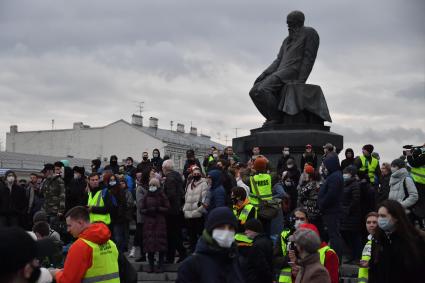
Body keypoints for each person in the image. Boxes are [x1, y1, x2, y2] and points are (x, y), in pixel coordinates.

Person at [249, 10, 319, 125]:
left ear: (299, 22)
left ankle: (277, 118)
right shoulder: (286, 40)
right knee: (254, 91)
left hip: (292, 71)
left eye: (291, 23)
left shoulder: (310, 33)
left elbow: (309, 58)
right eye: (288, 23)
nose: (288, 26)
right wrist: (265, 73)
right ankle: (271, 116)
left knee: (263, 89)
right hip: (280, 71)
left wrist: (301, 80)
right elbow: (278, 60)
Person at [50, 206, 120, 283]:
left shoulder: (80, 246)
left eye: (69, 225)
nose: (68, 230)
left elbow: (68, 281)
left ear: (80, 223)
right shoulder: (111, 243)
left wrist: (56, 273)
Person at [176, 207, 244, 283]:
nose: (226, 231)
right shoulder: (191, 265)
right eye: (221, 227)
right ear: (210, 230)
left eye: (231, 228)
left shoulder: (237, 261)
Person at [368, 200, 425, 283]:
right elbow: (373, 270)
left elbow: (418, 270)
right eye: (379, 216)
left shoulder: (414, 240)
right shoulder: (378, 239)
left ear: (396, 217)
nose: (380, 219)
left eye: (383, 216)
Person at [140, 178, 170, 273]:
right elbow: (141, 209)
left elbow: (167, 208)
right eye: (151, 185)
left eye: (154, 185)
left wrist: (158, 209)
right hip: (149, 223)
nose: (152, 187)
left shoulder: (162, 195)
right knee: (150, 245)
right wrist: (148, 211)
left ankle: (160, 265)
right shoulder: (146, 196)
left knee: (160, 244)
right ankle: (151, 266)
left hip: (159, 222)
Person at [318, 153, 344, 260]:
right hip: (331, 211)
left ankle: (335, 258)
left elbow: (331, 194)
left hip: (331, 211)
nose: (325, 168)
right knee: (333, 235)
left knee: (334, 236)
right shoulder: (335, 175)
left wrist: (322, 204)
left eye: (326, 165)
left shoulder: (335, 177)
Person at [162, 159, 187, 263]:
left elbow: (170, 195)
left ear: (165, 168)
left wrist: (162, 199)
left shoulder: (170, 178)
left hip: (171, 211)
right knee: (175, 234)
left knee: (172, 235)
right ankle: (172, 256)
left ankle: (178, 255)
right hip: (177, 209)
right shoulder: (177, 176)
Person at [183, 166, 209, 252]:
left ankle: (200, 250)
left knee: (199, 233)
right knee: (191, 234)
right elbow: (186, 197)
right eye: (194, 174)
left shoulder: (204, 184)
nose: (196, 175)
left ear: (200, 174)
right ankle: (192, 249)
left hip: (198, 214)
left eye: (198, 174)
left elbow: (204, 199)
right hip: (189, 213)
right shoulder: (190, 184)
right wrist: (185, 209)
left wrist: (199, 210)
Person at [239, 219, 273, 283]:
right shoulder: (267, 241)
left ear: (254, 230)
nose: (245, 232)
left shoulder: (256, 245)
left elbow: (261, 267)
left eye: (247, 229)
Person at [340, 166, 362, 263]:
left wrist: (347, 210)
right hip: (345, 216)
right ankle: (351, 256)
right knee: (347, 236)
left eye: (347, 173)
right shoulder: (345, 184)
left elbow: (356, 200)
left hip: (352, 216)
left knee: (354, 237)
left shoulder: (355, 184)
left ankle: (356, 257)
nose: (345, 174)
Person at [249, 156, 273, 233]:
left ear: (254, 167)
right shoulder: (269, 177)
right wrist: (267, 162)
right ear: (265, 167)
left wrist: (250, 167)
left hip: (256, 209)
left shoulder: (251, 179)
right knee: (267, 228)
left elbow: (243, 175)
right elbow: (275, 171)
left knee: (258, 229)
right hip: (268, 207)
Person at [40, 163, 65, 231]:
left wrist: (61, 210)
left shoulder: (59, 181)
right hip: (45, 209)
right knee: (44, 229)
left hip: (55, 211)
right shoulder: (46, 181)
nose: (44, 174)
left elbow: (62, 196)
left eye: (45, 172)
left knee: (53, 230)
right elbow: (42, 193)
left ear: (50, 171)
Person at [406, 145, 425, 226]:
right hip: (419, 182)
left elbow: (414, 163)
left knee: (419, 203)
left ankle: (419, 222)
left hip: (420, 182)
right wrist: (415, 151)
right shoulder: (422, 155)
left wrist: (408, 154)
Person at [358, 212, 378, 283]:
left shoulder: (381, 242)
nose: (371, 225)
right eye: (368, 222)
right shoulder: (368, 242)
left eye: (374, 222)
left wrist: (369, 263)